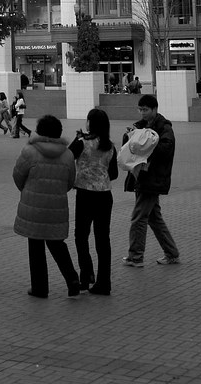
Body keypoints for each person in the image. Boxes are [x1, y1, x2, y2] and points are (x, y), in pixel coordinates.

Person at [12, 114, 80, 298]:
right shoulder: (67, 155)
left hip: (32, 206)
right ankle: (72, 279)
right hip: (56, 206)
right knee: (57, 244)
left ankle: (40, 288)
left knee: (35, 247)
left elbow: (18, 175)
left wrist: (27, 191)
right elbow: (69, 182)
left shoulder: (29, 151)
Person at [122, 94, 180, 268]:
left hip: (152, 179)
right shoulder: (139, 125)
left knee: (139, 217)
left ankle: (135, 256)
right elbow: (129, 145)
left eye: (145, 110)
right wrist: (130, 137)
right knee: (154, 218)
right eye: (140, 110)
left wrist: (146, 143)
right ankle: (171, 253)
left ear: (155, 109)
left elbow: (167, 148)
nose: (142, 113)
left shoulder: (164, 126)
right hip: (141, 176)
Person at [69, 108, 118, 295]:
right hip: (105, 195)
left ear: (90, 123)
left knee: (81, 236)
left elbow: (67, 157)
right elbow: (113, 174)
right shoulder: (110, 146)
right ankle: (104, 282)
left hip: (85, 194)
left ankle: (86, 273)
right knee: (102, 239)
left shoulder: (82, 143)